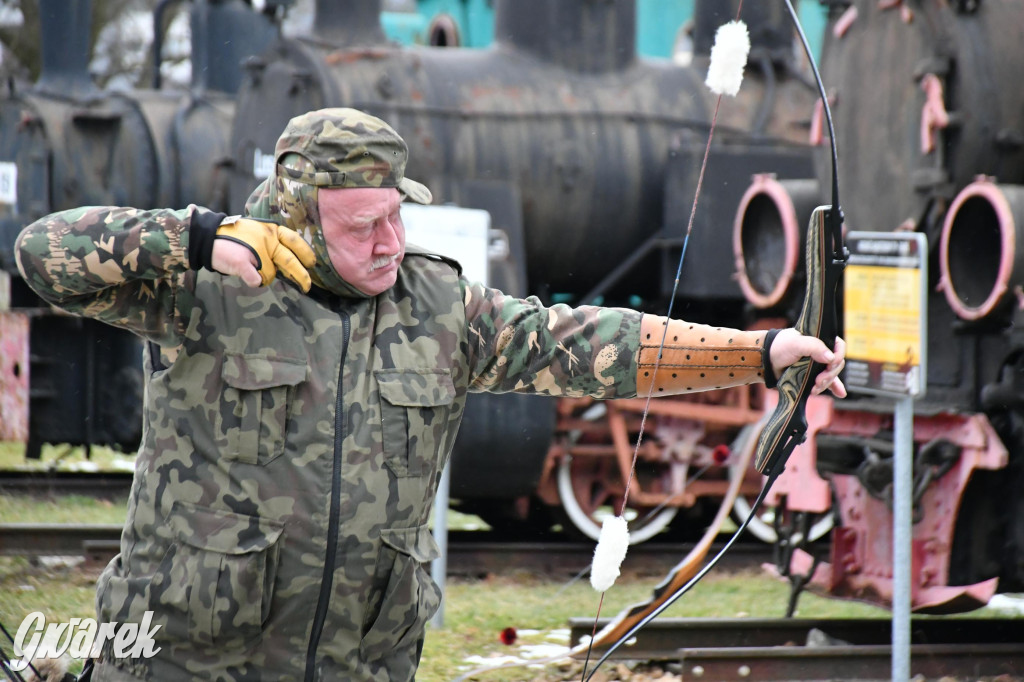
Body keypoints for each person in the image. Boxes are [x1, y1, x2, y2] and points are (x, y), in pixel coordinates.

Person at [15, 108, 845, 681]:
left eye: (396, 216)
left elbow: (591, 345)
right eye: (361, 226)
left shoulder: (438, 307)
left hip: (361, 665)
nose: (390, 242)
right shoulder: (204, 287)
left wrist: (761, 353)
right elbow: (41, 254)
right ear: (298, 220)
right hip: (188, 661)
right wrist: (192, 237)